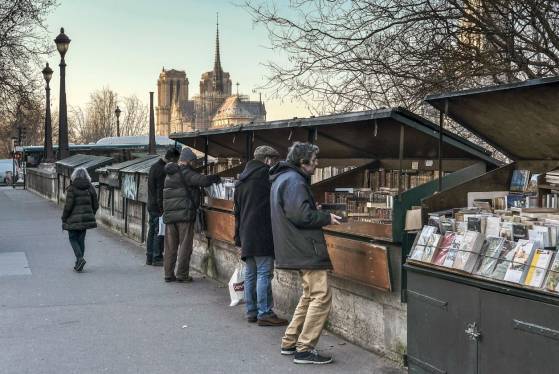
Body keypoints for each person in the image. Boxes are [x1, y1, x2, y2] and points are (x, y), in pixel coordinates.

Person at [269, 142, 341, 365]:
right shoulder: (294, 181)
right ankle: (305, 348)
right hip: (305, 246)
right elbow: (301, 216)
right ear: (303, 162)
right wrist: (326, 218)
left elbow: (296, 211)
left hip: (293, 246)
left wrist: (312, 210)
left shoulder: (284, 178)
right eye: (314, 160)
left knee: (309, 294)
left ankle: (290, 341)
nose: (317, 164)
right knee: (321, 296)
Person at [234, 145, 287, 327]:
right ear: (267, 160)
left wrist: (238, 237)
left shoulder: (241, 181)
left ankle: (251, 311)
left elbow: (237, 212)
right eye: (273, 160)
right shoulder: (267, 178)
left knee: (251, 274)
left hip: (246, 233)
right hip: (263, 233)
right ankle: (265, 313)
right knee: (264, 273)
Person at [162, 147, 220, 283]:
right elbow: (203, 181)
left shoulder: (170, 174)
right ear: (188, 161)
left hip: (170, 216)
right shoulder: (185, 173)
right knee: (185, 246)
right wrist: (215, 177)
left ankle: (168, 274)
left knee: (170, 247)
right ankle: (182, 274)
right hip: (184, 215)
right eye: (194, 162)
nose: (196, 165)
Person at [146, 148, 180, 266]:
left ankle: (149, 256)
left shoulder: (154, 167)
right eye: (176, 161)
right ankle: (157, 257)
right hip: (158, 207)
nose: (176, 163)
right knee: (159, 232)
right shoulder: (162, 170)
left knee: (151, 231)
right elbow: (161, 192)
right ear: (171, 158)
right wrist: (162, 210)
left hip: (151, 204)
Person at [61, 167, 99, 272]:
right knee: (81, 240)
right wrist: (91, 214)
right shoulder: (90, 187)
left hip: (72, 219)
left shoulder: (72, 188)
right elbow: (96, 205)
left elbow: (68, 206)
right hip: (85, 219)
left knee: (73, 238)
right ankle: (79, 262)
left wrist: (64, 218)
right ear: (87, 176)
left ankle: (80, 259)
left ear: (74, 176)